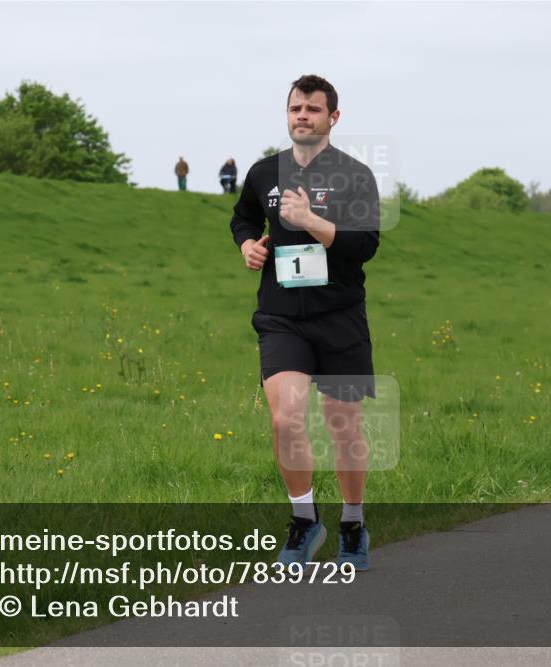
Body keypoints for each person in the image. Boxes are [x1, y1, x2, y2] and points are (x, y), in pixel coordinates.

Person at [229, 74, 379, 570]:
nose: (302, 116)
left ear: (333, 118)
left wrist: (311, 220)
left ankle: (353, 525)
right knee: (284, 417)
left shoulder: (356, 177)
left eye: (313, 110)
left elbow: (365, 247)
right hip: (281, 317)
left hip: (339, 318)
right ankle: (304, 519)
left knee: (344, 427)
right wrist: (248, 244)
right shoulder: (263, 173)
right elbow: (244, 217)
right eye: (296, 108)